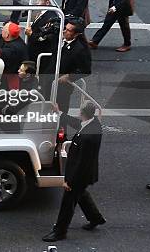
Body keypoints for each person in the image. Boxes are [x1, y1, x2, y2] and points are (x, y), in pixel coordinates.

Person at [42, 101, 105, 242]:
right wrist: (59, 112)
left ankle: (60, 232)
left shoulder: (88, 136)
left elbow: (81, 162)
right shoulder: (92, 124)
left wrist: (69, 181)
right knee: (81, 195)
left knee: (68, 204)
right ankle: (96, 218)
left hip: (79, 176)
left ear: (81, 113)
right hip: (85, 173)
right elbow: (77, 123)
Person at [44, 20, 92, 115]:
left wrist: (69, 76)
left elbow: (86, 70)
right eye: (65, 28)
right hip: (49, 79)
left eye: (68, 30)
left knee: (60, 112)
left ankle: (61, 129)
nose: (64, 31)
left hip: (62, 86)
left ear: (76, 34)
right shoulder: (60, 39)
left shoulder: (80, 49)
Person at [25, 0, 59, 65]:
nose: (37, 2)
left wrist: (31, 34)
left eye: (39, 0)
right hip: (33, 49)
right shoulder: (42, 13)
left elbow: (43, 38)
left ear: (47, 3)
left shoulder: (50, 18)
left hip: (39, 52)